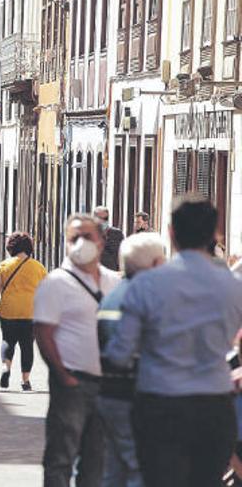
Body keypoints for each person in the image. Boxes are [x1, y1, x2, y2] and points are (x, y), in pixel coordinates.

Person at [105, 197, 242, 486]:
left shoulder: (146, 284)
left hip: (161, 404)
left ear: (171, 233)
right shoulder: (234, 286)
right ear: (215, 235)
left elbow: (119, 353)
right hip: (215, 405)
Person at [34, 213, 122, 487]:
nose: (81, 243)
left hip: (106, 384)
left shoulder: (114, 282)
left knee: (97, 459)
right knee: (61, 456)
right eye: (75, 238)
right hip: (71, 382)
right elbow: (43, 332)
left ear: (101, 240)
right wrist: (63, 375)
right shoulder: (56, 283)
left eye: (88, 237)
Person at [95, 232, 165, 487]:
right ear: (156, 264)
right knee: (140, 467)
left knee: (114, 469)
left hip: (108, 394)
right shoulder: (144, 297)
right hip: (134, 394)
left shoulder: (112, 296)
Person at [0, 232, 47, 391]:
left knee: (8, 340)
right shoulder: (38, 267)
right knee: (27, 346)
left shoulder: (4, 266)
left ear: (10, 247)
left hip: (8, 310)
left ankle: (6, 367)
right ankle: (25, 381)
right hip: (30, 311)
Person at [94, 206, 125, 271]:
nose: (102, 221)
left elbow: (122, 255)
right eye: (100, 218)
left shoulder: (117, 234)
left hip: (113, 273)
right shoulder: (89, 235)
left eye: (105, 218)